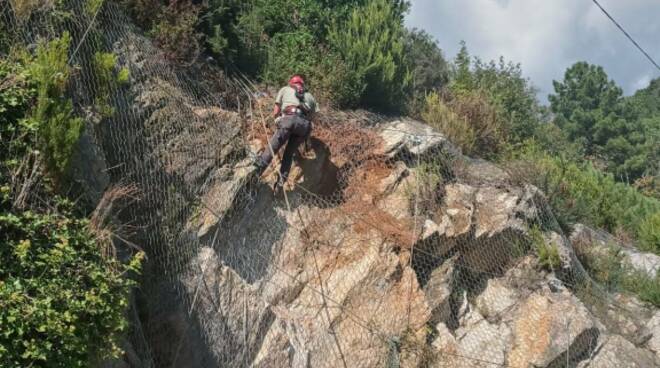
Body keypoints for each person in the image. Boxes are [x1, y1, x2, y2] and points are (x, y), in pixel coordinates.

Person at [255, 75, 319, 192]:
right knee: (288, 154)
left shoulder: (285, 89)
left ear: (291, 83)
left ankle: (256, 173)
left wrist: (277, 119)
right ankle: (280, 184)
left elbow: (276, 110)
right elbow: (314, 116)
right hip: (304, 126)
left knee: (273, 147)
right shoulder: (310, 96)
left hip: (289, 120)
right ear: (302, 85)